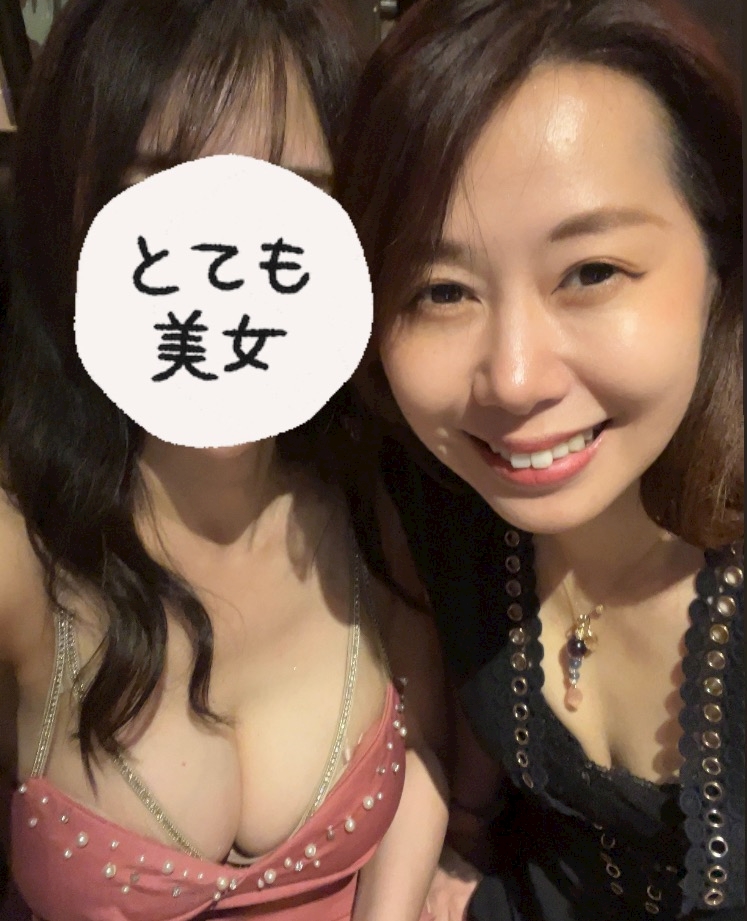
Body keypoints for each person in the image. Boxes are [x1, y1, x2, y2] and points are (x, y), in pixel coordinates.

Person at [0, 1, 448, 919]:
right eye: (168, 189)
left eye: (290, 199)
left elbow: (426, 755)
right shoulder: (20, 550)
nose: (228, 269)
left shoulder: (378, 498)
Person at [336, 0, 744, 918]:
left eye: (591, 273)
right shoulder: (439, 499)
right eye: (441, 291)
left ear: (720, 263)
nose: (513, 380)